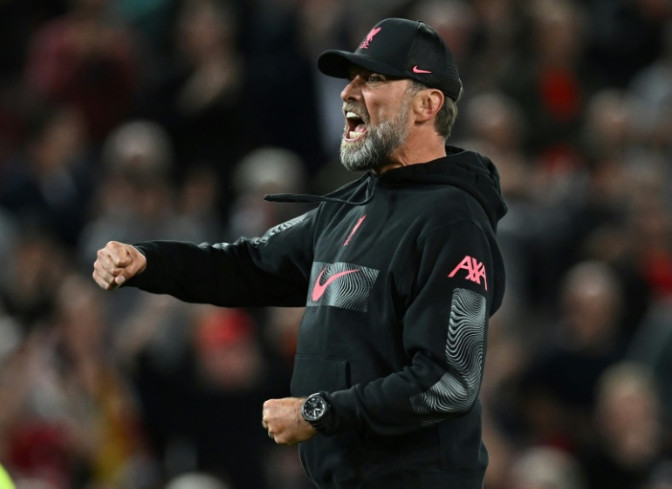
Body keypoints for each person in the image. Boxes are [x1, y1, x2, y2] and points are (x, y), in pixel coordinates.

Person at [93, 17, 507, 489]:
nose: (348, 93)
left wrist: (318, 412)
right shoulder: (352, 206)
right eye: (350, 79)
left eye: (373, 78)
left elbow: (448, 383)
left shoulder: (453, 219)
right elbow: (246, 265)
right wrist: (149, 261)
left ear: (428, 104)